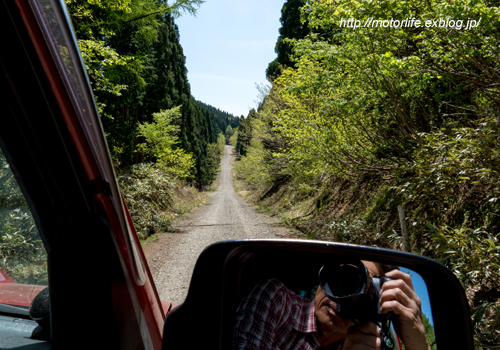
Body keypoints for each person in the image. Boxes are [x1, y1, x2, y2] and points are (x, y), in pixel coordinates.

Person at [232, 261, 431, 350]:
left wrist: (419, 344)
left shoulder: (368, 343)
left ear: (380, 301)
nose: (342, 298)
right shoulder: (277, 300)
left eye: (362, 288)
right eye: (342, 278)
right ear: (324, 277)